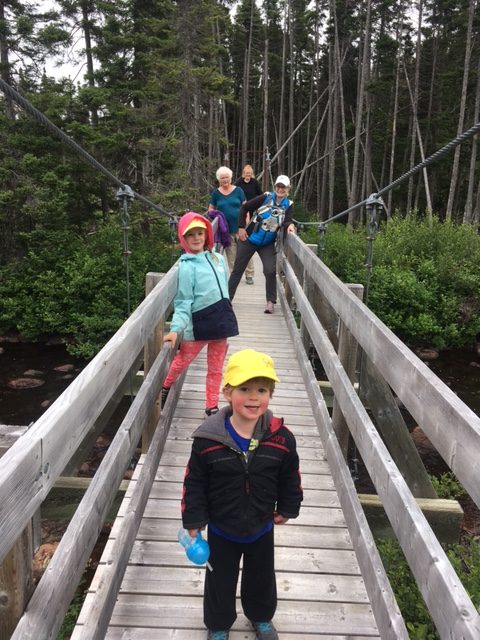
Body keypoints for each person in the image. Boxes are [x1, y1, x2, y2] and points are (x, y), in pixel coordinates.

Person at [181, 348, 303, 640]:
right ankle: (219, 624)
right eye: (244, 389)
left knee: (261, 577)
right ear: (227, 392)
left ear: (270, 394)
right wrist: (194, 518)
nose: (253, 397)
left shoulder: (281, 438)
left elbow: (290, 476)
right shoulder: (207, 440)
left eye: (261, 390)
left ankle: (261, 617)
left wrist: (288, 507)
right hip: (222, 526)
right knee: (219, 579)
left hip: (261, 524)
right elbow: (193, 482)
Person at [161, 212, 231, 417]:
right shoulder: (186, 266)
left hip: (221, 322)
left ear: (207, 234)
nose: (196, 238)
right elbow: (183, 301)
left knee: (217, 368)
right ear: (184, 239)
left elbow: (224, 290)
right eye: (190, 235)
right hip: (198, 324)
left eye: (200, 233)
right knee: (182, 360)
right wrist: (176, 329)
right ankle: (165, 386)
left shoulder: (218, 258)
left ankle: (211, 406)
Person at [229, 175, 296, 314]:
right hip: (249, 239)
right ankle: (227, 300)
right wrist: (241, 227)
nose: (280, 189)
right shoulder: (265, 197)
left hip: (267, 243)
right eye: (278, 186)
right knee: (238, 269)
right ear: (275, 187)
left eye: (283, 187)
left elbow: (287, 220)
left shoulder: (288, 205)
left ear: (288, 189)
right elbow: (244, 208)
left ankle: (270, 302)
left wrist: (290, 226)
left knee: (270, 270)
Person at [208, 166, 254, 285]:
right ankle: (235, 275)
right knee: (231, 255)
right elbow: (211, 208)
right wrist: (214, 215)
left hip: (241, 227)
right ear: (219, 179)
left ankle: (249, 274)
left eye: (226, 177)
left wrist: (246, 225)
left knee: (246, 252)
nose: (225, 180)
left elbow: (246, 208)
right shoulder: (216, 193)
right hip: (226, 230)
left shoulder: (238, 190)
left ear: (230, 177)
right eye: (222, 178)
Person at [234, 164, 263, 284]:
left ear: (252, 174)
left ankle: (249, 273)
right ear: (243, 173)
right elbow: (233, 192)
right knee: (240, 236)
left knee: (248, 237)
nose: (248, 175)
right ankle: (236, 273)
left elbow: (261, 195)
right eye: (246, 173)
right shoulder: (239, 182)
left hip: (253, 211)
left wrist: (259, 206)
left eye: (250, 173)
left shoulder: (255, 182)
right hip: (242, 211)